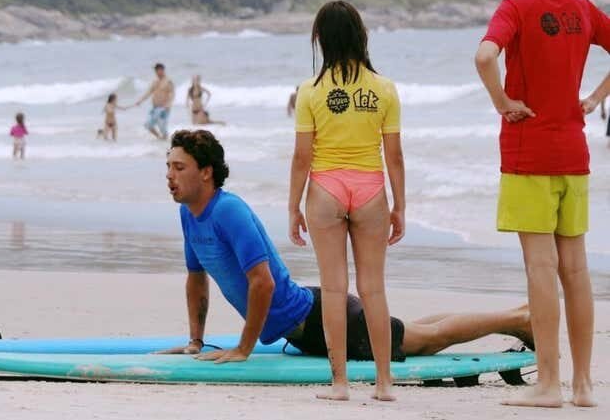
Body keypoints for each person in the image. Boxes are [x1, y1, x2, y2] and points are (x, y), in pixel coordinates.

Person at [161, 129, 533, 389]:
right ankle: (515, 315)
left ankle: (517, 319)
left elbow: (263, 282)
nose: (169, 176)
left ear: (206, 172)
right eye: (168, 167)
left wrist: (245, 348)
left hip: (321, 320)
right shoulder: (189, 214)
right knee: (409, 329)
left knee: (424, 340)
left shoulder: (229, 211)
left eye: (179, 167)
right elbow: (196, 278)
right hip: (309, 326)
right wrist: (196, 340)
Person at [475, 0, 610, 408]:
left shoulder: (515, 7)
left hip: (529, 154)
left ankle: (549, 384)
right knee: (575, 269)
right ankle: (585, 386)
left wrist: (501, 100)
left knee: (540, 267)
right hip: (574, 156)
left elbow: (485, 54)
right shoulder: (580, 6)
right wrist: (593, 97)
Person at [287, 1, 404, 401]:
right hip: (371, 190)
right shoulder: (384, 89)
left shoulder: (310, 91)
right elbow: (395, 156)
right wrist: (399, 205)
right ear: (361, 36)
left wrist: (292, 207)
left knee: (334, 289)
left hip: (324, 189)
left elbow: (303, 156)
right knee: (373, 288)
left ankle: (339, 384)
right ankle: (385, 383)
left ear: (320, 39)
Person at [131, 63, 175, 140]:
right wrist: (140, 101)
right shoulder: (155, 81)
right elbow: (148, 93)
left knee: (162, 127)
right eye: (155, 70)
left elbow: (172, 94)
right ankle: (159, 138)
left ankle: (166, 142)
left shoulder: (168, 81)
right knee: (148, 125)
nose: (156, 72)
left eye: (157, 70)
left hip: (163, 108)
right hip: (154, 108)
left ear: (162, 70)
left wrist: (168, 104)